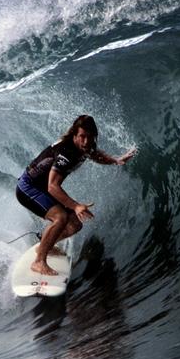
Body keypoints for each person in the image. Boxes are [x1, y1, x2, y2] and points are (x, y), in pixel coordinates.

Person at [16, 115, 136, 276]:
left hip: (42, 188)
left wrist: (115, 160)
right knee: (60, 218)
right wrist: (76, 206)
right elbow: (53, 186)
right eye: (82, 137)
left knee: (74, 225)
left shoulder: (86, 147)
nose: (86, 141)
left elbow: (95, 155)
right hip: (28, 188)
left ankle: (45, 245)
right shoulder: (66, 153)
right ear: (74, 135)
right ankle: (38, 262)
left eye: (89, 137)